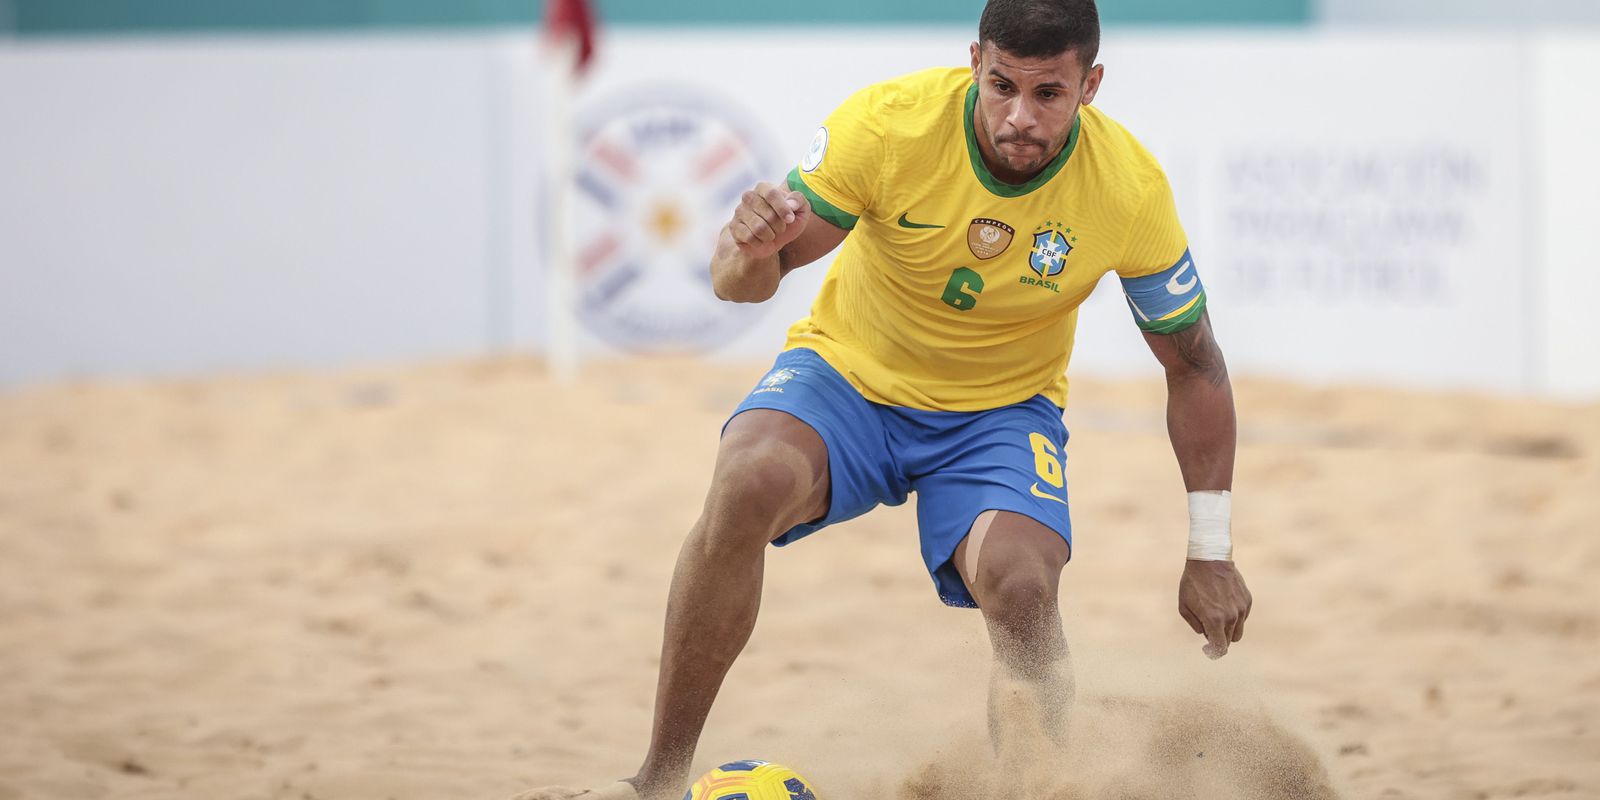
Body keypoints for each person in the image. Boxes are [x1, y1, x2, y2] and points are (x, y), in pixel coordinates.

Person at [519, 0, 1251, 797]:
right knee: (747, 481)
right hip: (851, 379)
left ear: (1091, 86)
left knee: (1022, 585)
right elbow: (740, 283)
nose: (1018, 117)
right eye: (1002, 85)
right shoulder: (890, 125)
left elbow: (1196, 366)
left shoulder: (1130, 189)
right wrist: (743, 246)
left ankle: (1037, 786)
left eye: (1049, 94)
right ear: (974, 61)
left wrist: (1210, 548)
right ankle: (656, 781)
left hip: (997, 413)